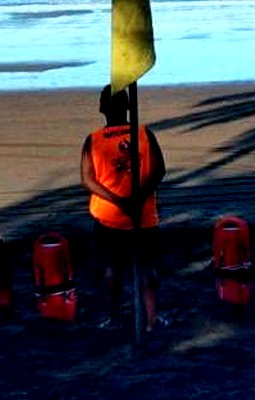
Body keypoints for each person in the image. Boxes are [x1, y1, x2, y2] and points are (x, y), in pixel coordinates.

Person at [80, 84, 167, 332]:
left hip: (111, 215)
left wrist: (118, 201)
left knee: (113, 268)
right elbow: (159, 170)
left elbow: (87, 179)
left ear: (102, 107)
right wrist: (136, 198)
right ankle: (151, 319)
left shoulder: (94, 140)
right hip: (141, 213)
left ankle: (114, 317)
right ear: (128, 107)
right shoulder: (143, 134)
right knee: (146, 267)